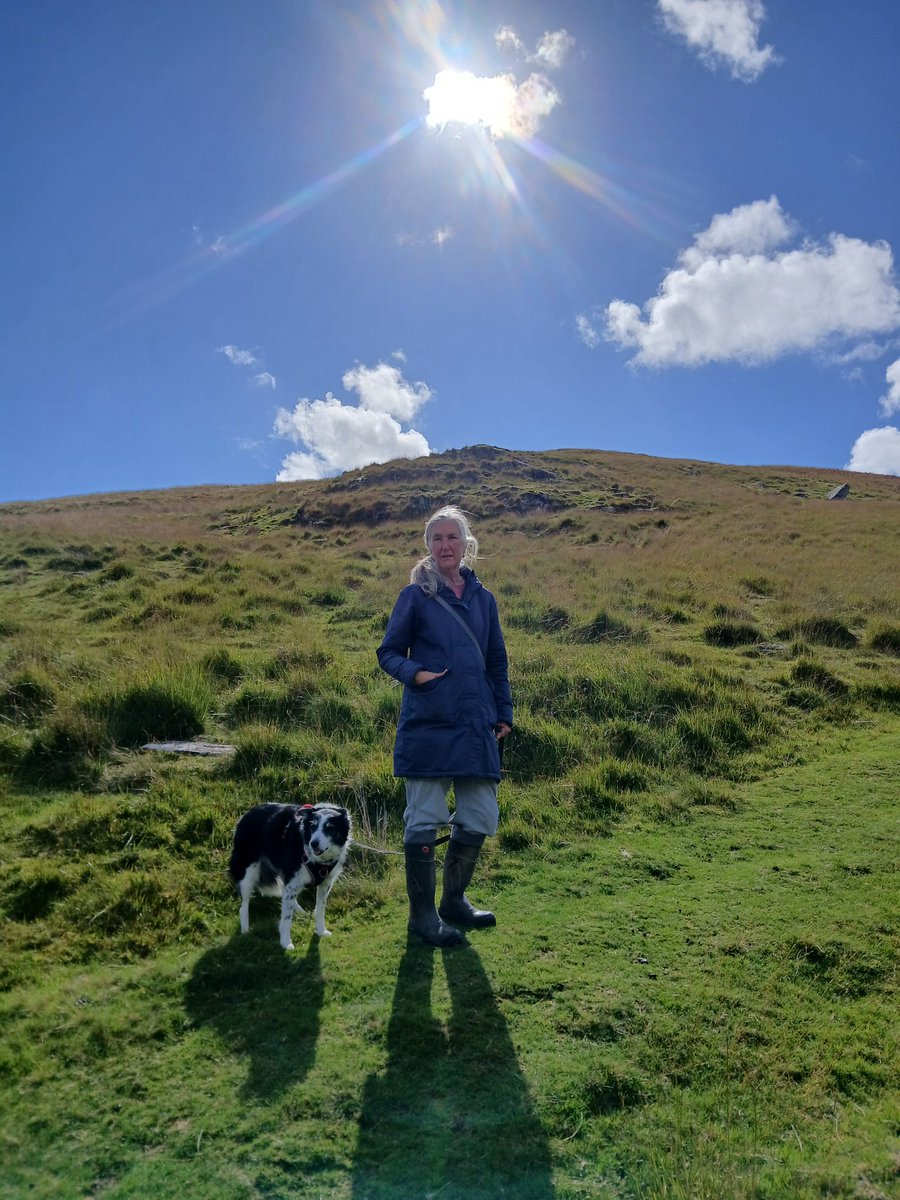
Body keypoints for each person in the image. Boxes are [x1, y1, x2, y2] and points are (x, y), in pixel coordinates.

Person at [377, 506, 513, 947]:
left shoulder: (484, 599)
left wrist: (504, 712)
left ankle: (454, 901)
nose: (445, 546)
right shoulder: (413, 596)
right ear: (428, 546)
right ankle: (423, 917)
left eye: (452, 537)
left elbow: (496, 661)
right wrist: (414, 674)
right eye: (436, 538)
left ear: (466, 543)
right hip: (429, 722)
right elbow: (389, 652)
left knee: (477, 814)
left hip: (476, 723)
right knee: (424, 817)